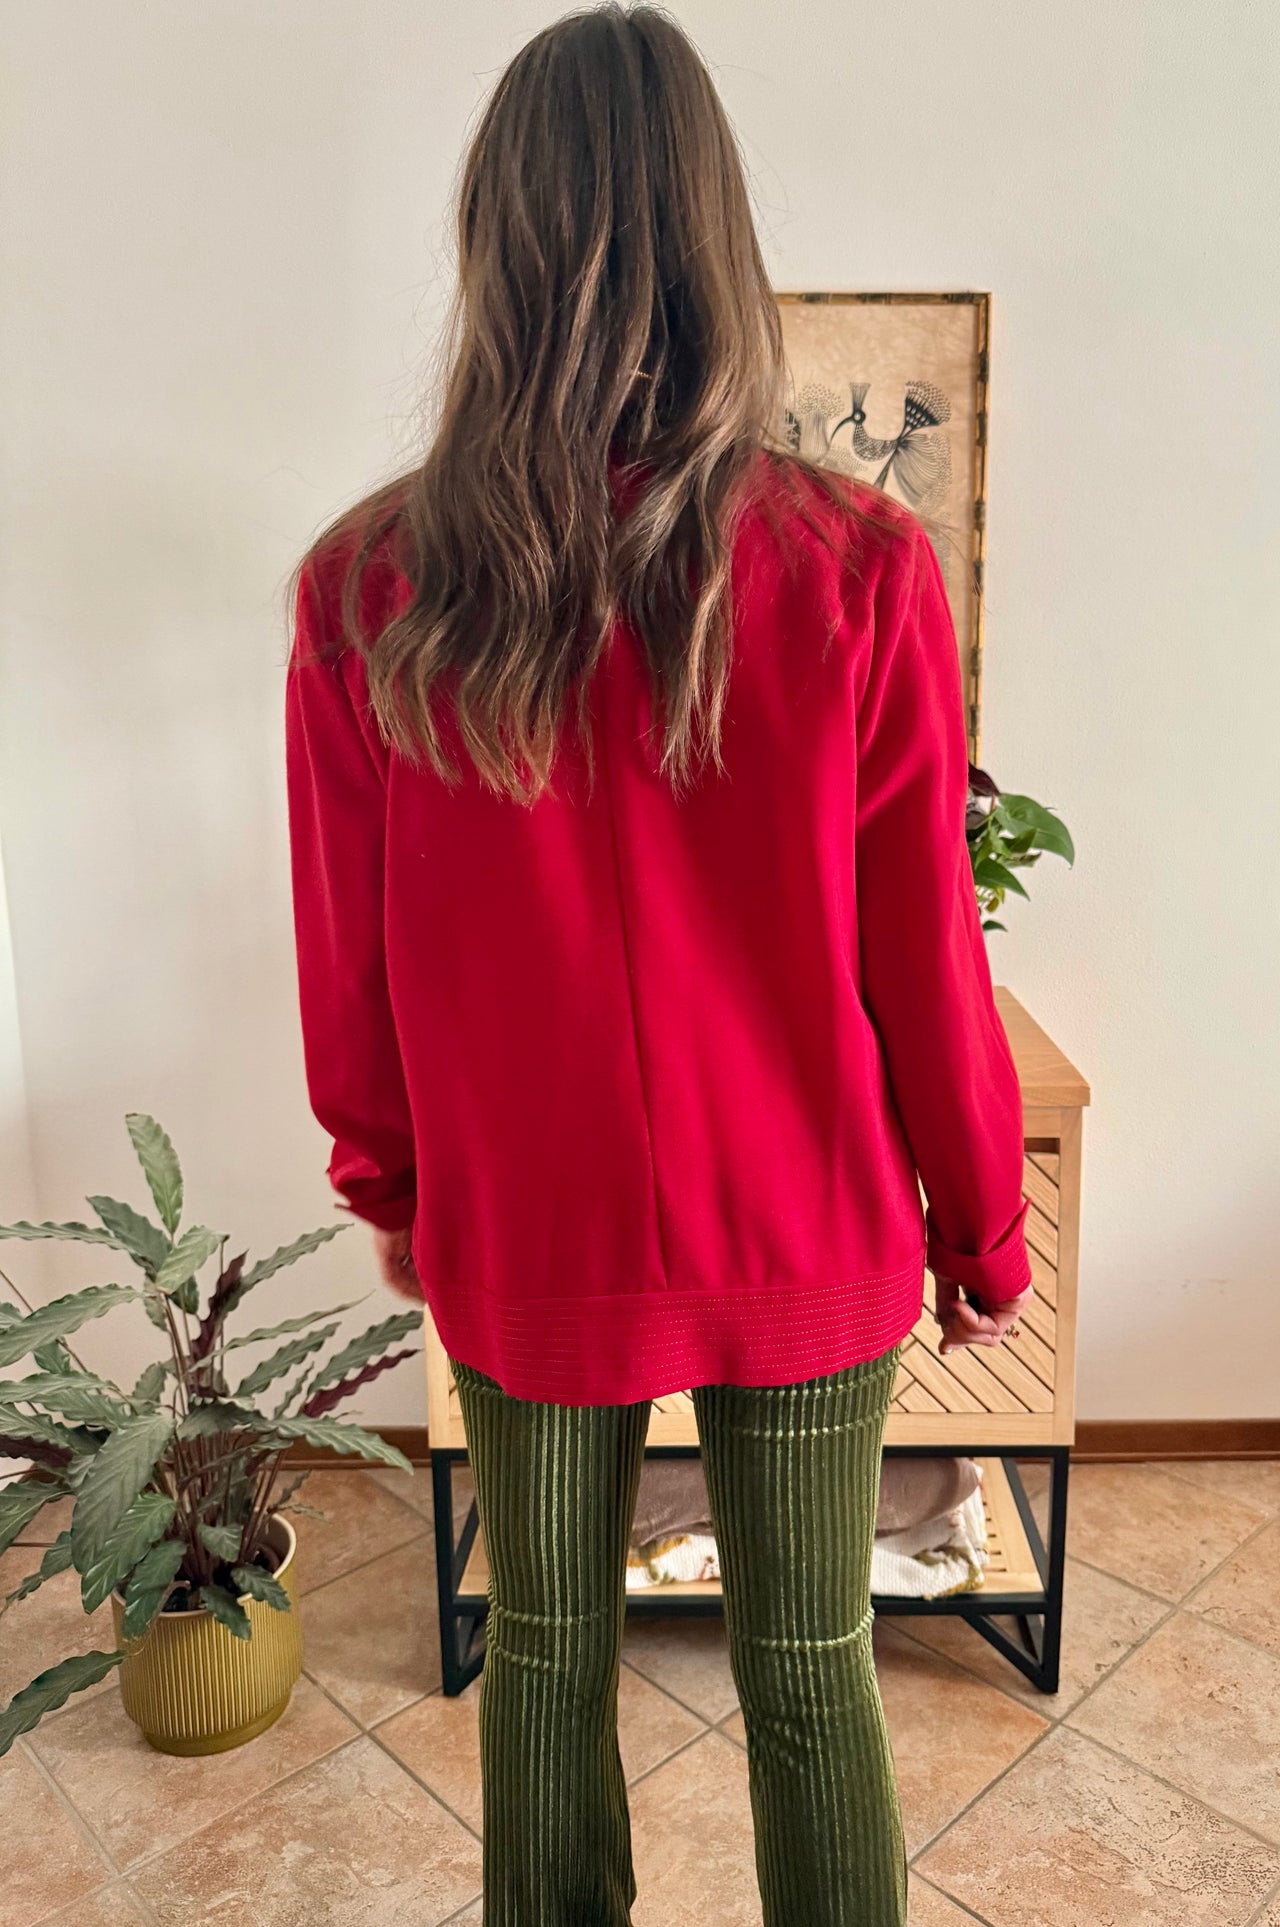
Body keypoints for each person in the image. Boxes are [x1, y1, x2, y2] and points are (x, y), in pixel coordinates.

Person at [284, 7, 1033, 1923]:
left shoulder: (373, 586)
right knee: (809, 1674)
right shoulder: (856, 567)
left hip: (530, 1236)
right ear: (717, 240)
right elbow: (918, 951)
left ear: (493, 245)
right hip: (808, 1223)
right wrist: (981, 1225)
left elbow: (349, 960)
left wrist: (390, 1182)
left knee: (542, 1667)